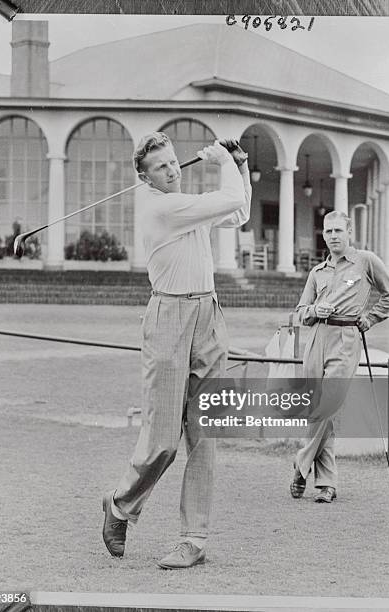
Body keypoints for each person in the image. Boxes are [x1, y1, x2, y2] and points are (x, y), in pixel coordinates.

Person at [102, 132, 251, 568]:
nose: (172, 170)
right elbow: (226, 200)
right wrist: (223, 160)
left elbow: (238, 210)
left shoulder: (186, 203)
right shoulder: (160, 207)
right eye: (161, 167)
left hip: (207, 313)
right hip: (168, 316)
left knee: (205, 435)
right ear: (144, 177)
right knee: (164, 438)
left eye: (172, 162)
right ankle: (120, 505)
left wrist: (238, 165)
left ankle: (193, 539)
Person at [290, 211, 389, 503]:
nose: (333, 236)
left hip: (346, 339)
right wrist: (315, 311)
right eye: (328, 232)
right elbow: (300, 312)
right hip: (316, 340)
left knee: (327, 406)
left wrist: (371, 318)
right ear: (323, 235)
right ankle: (326, 484)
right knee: (319, 411)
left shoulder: (365, 261)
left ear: (349, 231)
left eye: (338, 230)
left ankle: (301, 463)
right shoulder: (317, 272)